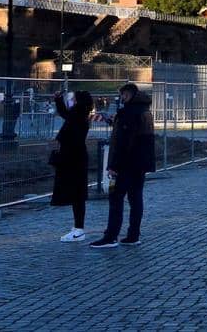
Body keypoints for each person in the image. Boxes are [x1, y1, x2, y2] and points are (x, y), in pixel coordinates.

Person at [89, 83, 154, 249]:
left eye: (123, 95)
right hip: (140, 164)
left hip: (126, 164)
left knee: (116, 199)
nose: (121, 98)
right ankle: (133, 235)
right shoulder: (145, 111)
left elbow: (123, 143)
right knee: (136, 199)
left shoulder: (128, 113)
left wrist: (114, 166)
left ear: (129, 94)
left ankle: (111, 236)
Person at [51, 90, 94, 241]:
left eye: (74, 99)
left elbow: (66, 116)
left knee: (77, 194)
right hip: (75, 157)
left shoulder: (77, 116)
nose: (72, 101)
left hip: (73, 158)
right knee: (77, 194)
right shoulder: (78, 114)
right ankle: (78, 227)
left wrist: (59, 100)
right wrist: (58, 100)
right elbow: (65, 113)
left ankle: (79, 228)